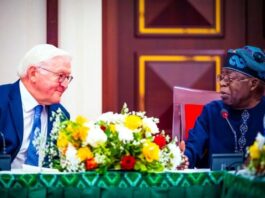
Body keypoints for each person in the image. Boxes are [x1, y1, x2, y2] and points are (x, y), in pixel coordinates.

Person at [183, 45, 265, 168]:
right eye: (221, 77)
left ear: (253, 84)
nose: (221, 83)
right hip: (216, 185)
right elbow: (192, 149)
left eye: (230, 78)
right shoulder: (211, 111)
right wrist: (183, 159)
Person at [0, 44, 72, 169]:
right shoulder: (2, 100)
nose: (65, 85)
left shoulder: (61, 114)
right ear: (33, 73)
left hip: (41, 187)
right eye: (60, 76)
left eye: (67, 78)